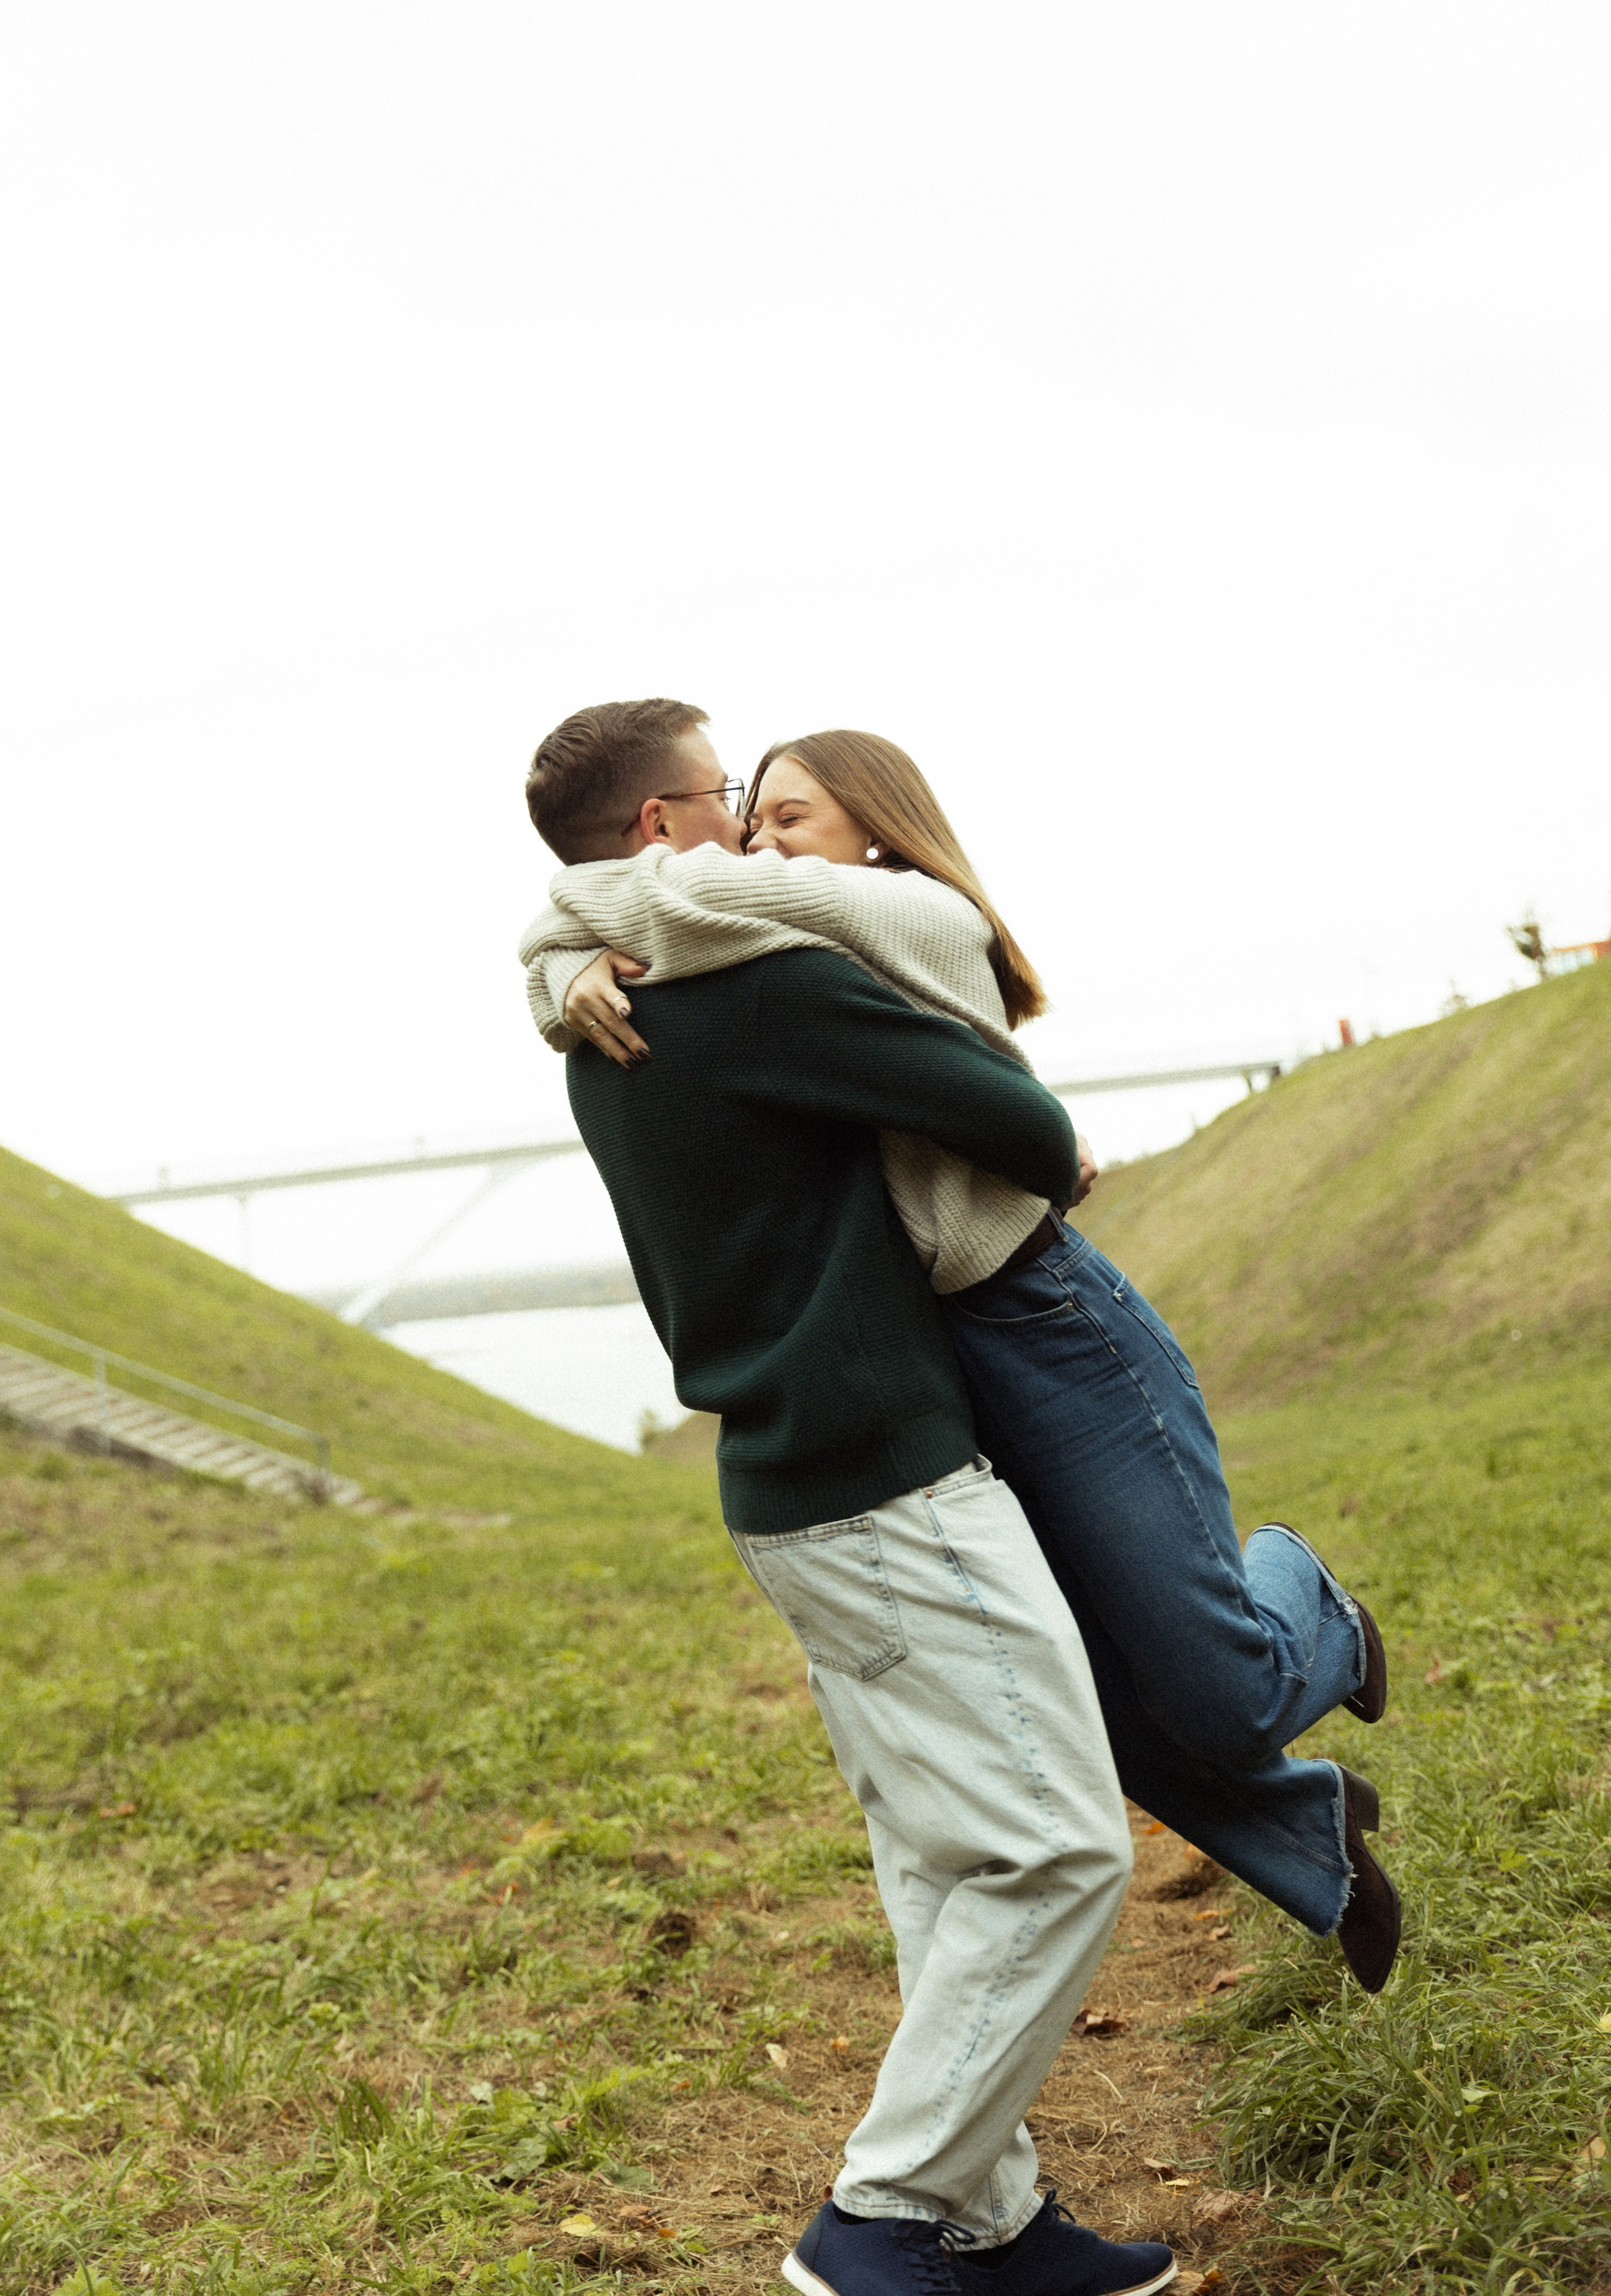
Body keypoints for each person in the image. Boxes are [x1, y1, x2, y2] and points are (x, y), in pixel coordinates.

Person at [522, 724, 1401, 1998]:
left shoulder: (903, 908)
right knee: (1075, 1694)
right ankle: (1310, 1837)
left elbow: (656, 888)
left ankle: (1308, 1607)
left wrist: (559, 958)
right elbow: (648, 899)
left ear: (873, 829)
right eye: (744, 812)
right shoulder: (789, 931)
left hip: (1046, 1318)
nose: (758, 842)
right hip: (944, 1345)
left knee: (1213, 1689)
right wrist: (563, 975)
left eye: (787, 817)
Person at [519, 700, 1177, 2296]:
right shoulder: (751, 987)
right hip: (888, 1476)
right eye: (720, 795)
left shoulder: (605, 1007)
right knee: (1055, 1849)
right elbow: (1014, 1117)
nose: (746, 827)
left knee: (946, 1859)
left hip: (783, 1484)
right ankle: (885, 2216)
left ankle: (989, 2220)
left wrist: (549, 967)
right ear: (665, 828)